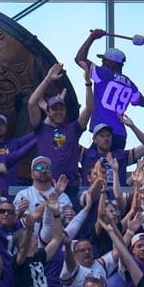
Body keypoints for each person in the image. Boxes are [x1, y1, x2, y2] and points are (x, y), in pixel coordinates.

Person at [74, 28, 144, 150]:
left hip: (103, 132)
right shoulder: (130, 84)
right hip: (120, 135)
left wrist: (92, 37)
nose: (102, 63)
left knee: (92, 165)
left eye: (104, 60)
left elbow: (79, 59)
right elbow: (142, 102)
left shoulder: (103, 74)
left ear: (112, 63)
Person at [27, 62, 94, 206]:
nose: (58, 112)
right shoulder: (41, 129)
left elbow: (89, 108)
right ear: (48, 111)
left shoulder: (73, 129)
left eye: (61, 109)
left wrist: (88, 83)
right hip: (46, 186)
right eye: (54, 109)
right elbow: (32, 103)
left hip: (71, 187)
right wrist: (48, 79)